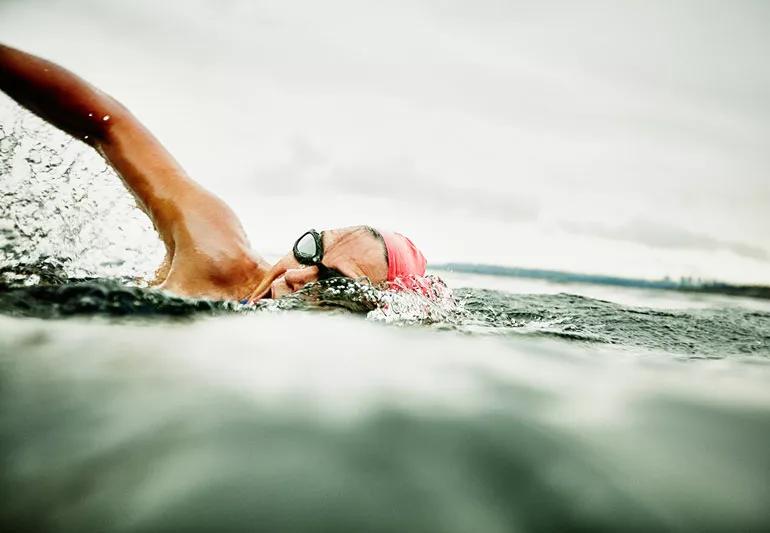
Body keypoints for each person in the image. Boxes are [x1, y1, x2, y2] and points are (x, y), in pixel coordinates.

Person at [0, 43, 426, 301]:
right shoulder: (214, 250)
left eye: (334, 283)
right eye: (311, 249)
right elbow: (108, 125)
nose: (297, 275)